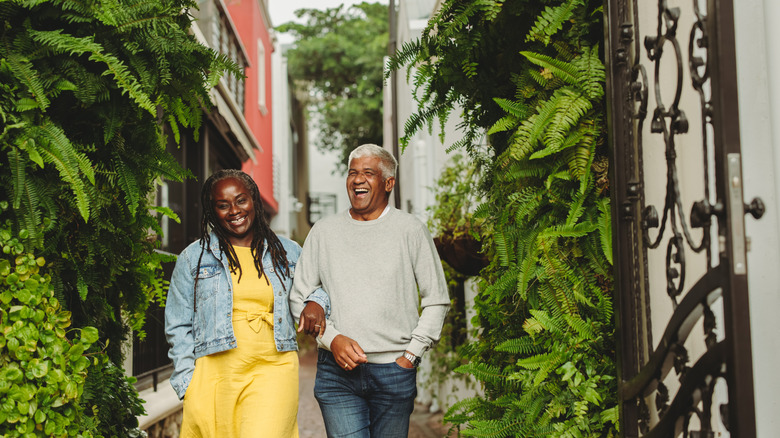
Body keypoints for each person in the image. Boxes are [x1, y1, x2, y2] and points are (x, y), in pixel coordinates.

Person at [290, 144, 451, 437]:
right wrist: (332, 338)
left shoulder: (411, 230)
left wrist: (410, 356)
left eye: (368, 173)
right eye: (353, 173)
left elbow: (436, 300)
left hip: (394, 370)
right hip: (336, 375)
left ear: (388, 183)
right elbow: (299, 296)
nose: (357, 179)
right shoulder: (324, 232)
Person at [164, 169, 327, 437]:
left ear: (254, 200)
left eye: (241, 200)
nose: (234, 210)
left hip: (274, 367)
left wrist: (316, 302)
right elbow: (178, 324)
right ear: (211, 210)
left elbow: (319, 289)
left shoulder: (288, 252)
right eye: (223, 205)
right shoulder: (193, 258)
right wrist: (187, 383)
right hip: (215, 374)